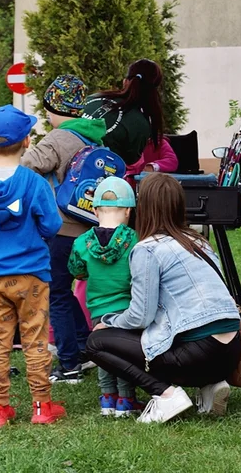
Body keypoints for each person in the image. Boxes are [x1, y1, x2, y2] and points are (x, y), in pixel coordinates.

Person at [84, 174, 241, 424]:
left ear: (142, 208)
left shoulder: (148, 249)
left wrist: (109, 321)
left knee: (96, 342)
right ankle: (210, 386)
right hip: (231, 353)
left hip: (197, 354)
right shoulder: (199, 242)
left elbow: (140, 316)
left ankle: (166, 395)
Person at [0, 105, 66, 426]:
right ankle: (42, 407)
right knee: (34, 341)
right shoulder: (33, 184)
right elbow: (51, 225)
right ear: (28, 142)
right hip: (31, 276)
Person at [20, 74, 107, 384]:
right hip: (88, 229)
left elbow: (27, 166)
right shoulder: (93, 138)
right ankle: (83, 350)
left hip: (61, 230)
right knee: (66, 292)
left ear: (54, 109)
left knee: (55, 293)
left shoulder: (58, 138)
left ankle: (68, 364)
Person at [68, 177, 145, 417]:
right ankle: (126, 399)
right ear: (128, 211)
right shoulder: (134, 239)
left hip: (97, 309)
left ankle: (107, 399)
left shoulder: (82, 242)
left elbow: (76, 271)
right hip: (126, 308)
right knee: (123, 353)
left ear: (94, 209)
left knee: (102, 352)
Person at [82, 59, 165, 167]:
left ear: (125, 81)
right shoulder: (140, 124)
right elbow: (129, 162)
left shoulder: (92, 98)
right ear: (154, 91)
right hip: (98, 177)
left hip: (61, 166)